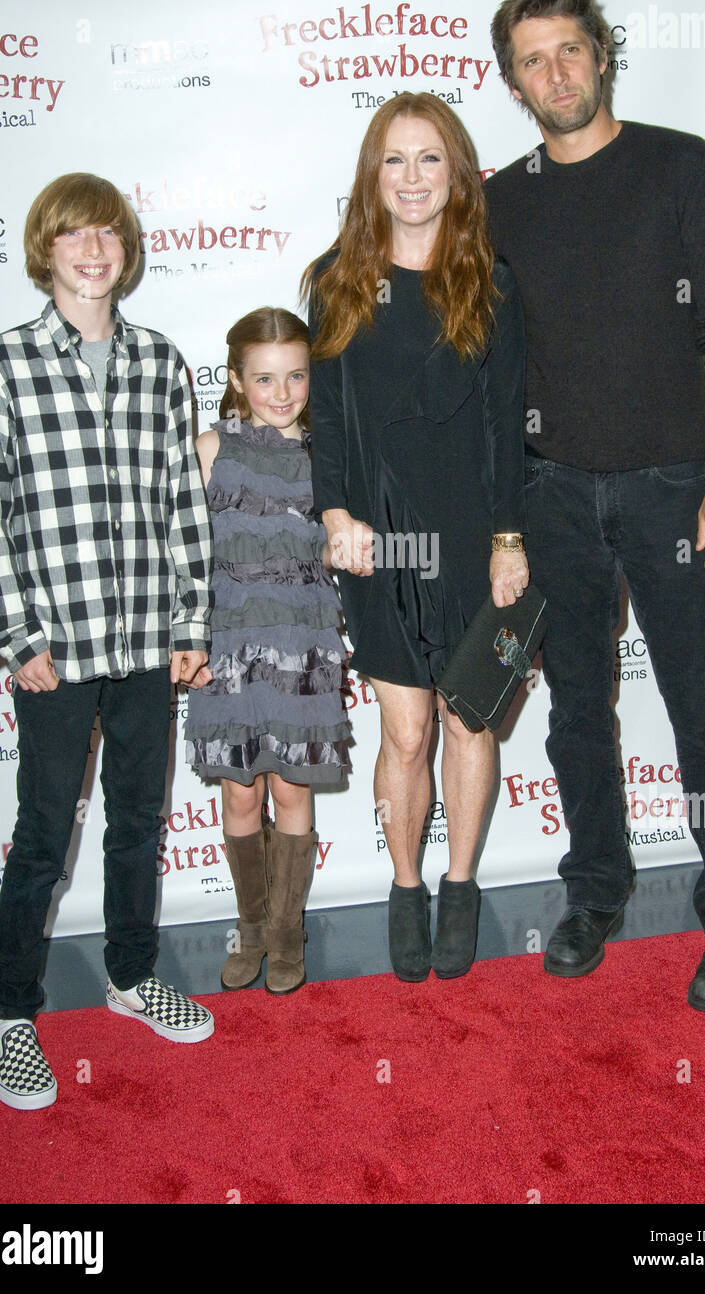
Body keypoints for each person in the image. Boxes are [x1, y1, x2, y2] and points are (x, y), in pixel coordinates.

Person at [484, 0, 705, 1013]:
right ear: (510, 79)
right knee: (575, 710)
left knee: (699, 706)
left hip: (673, 486)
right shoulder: (497, 198)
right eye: (533, 58)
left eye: (570, 49)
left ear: (601, 54)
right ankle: (594, 890)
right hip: (551, 491)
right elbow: (478, 358)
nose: (556, 72)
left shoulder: (678, 164)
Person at [0, 172, 215, 1111]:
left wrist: (191, 623)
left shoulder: (161, 362)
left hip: (149, 636)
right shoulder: (2, 365)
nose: (94, 247)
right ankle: (10, 1010)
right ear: (47, 249)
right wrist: (19, 635)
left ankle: (130, 973)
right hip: (55, 647)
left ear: (126, 248)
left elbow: (182, 506)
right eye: (74, 232)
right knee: (41, 835)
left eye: (108, 230)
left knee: (139, 822)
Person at [303, 92, 528, 984]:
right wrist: (333, 515)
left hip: (472, 533)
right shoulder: (337, 280)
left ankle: (461, 885)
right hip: (379, 541)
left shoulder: (492, 281)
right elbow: (324, 412)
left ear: (457, 172)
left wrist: (510, 536)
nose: (411, 178)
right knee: (405, 735)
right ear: (372, 176)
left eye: (429, 158)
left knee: (467, 722)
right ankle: (405, 886)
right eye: (394, 161)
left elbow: (509, 422)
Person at [184, 308, 351, 995]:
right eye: (264, 379)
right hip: (228, 644)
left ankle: (287, 936)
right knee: (241, 795)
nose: (281, 393)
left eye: (295, 377)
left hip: (304, 644)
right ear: (235, 379)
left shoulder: (327, 454)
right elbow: (184, 558)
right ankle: (250, 932)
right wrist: (184, 639)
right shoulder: (209, 450)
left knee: (292, 789)